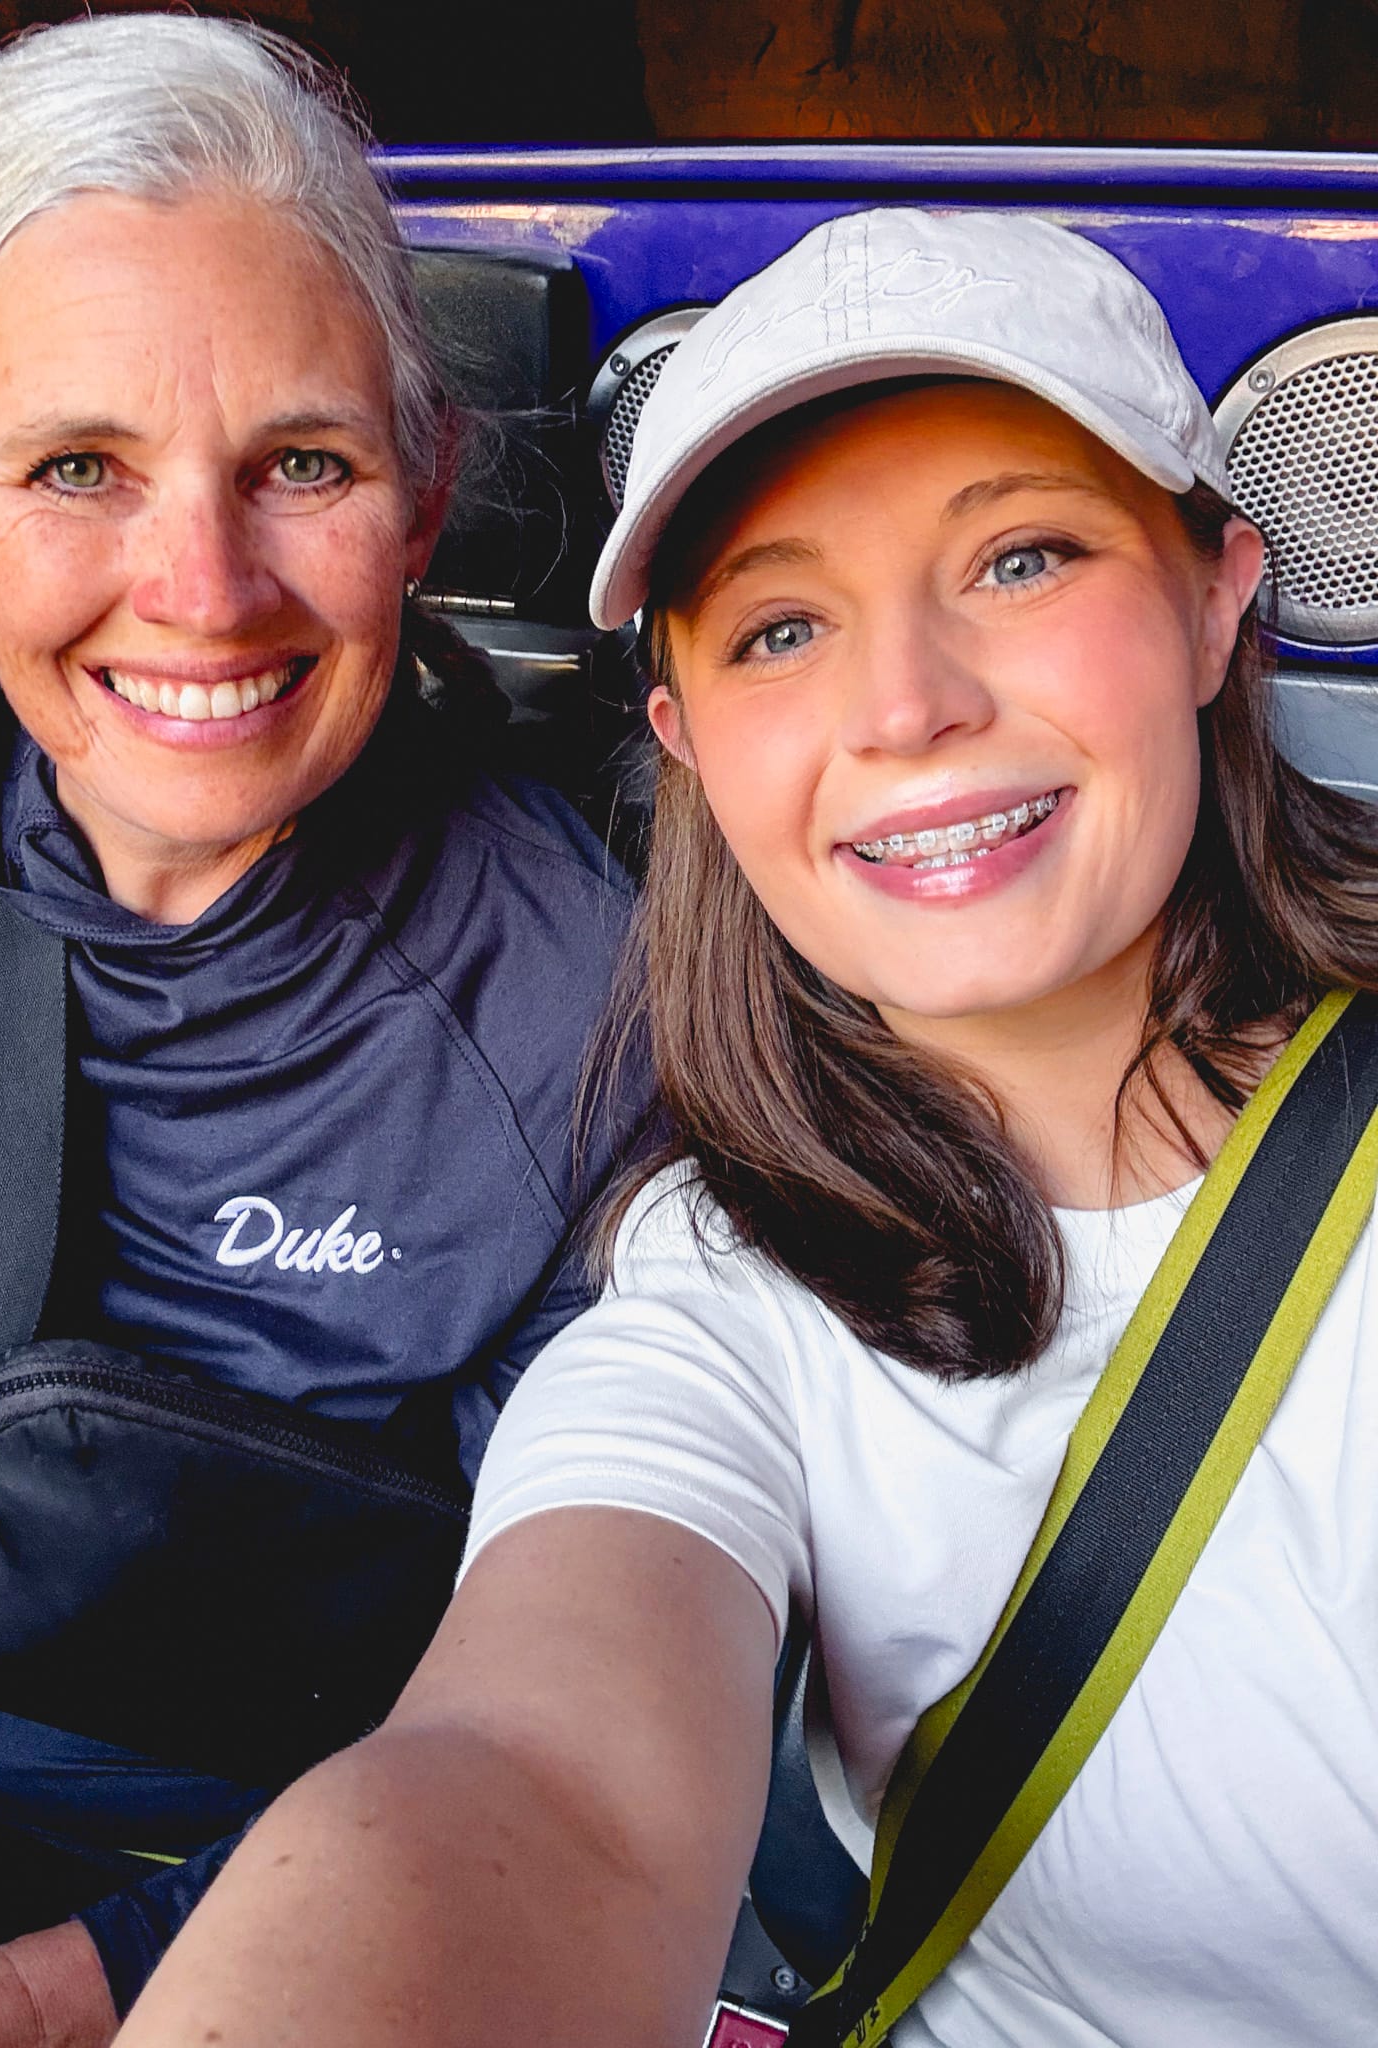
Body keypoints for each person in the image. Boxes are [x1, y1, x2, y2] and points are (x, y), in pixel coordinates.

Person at [114, 211, 1378, 2048]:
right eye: (783, 628)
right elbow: (540, 1785)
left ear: (1214, 601)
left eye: (1022, 558)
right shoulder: (723, 1297)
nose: (909, 706)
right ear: (688, 735)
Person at [0, 15, 639, 2046]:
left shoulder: (585, 1030)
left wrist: (21, 2003)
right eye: (77, 470)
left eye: (301, 464)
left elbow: (549, 1713)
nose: (201, 590)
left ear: (425, 489)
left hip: (228, 1939)